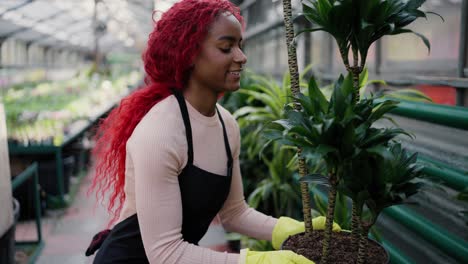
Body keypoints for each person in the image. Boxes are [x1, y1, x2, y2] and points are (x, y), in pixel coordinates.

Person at [86, 0, 340, 263]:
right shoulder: (160, 132)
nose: (241, 57)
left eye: (240, 45)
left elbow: (234, 212)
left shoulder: (226, 124)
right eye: (226, 47)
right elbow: (165, 253)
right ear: (189, 54)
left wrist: (286, 230)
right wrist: (253, 261)